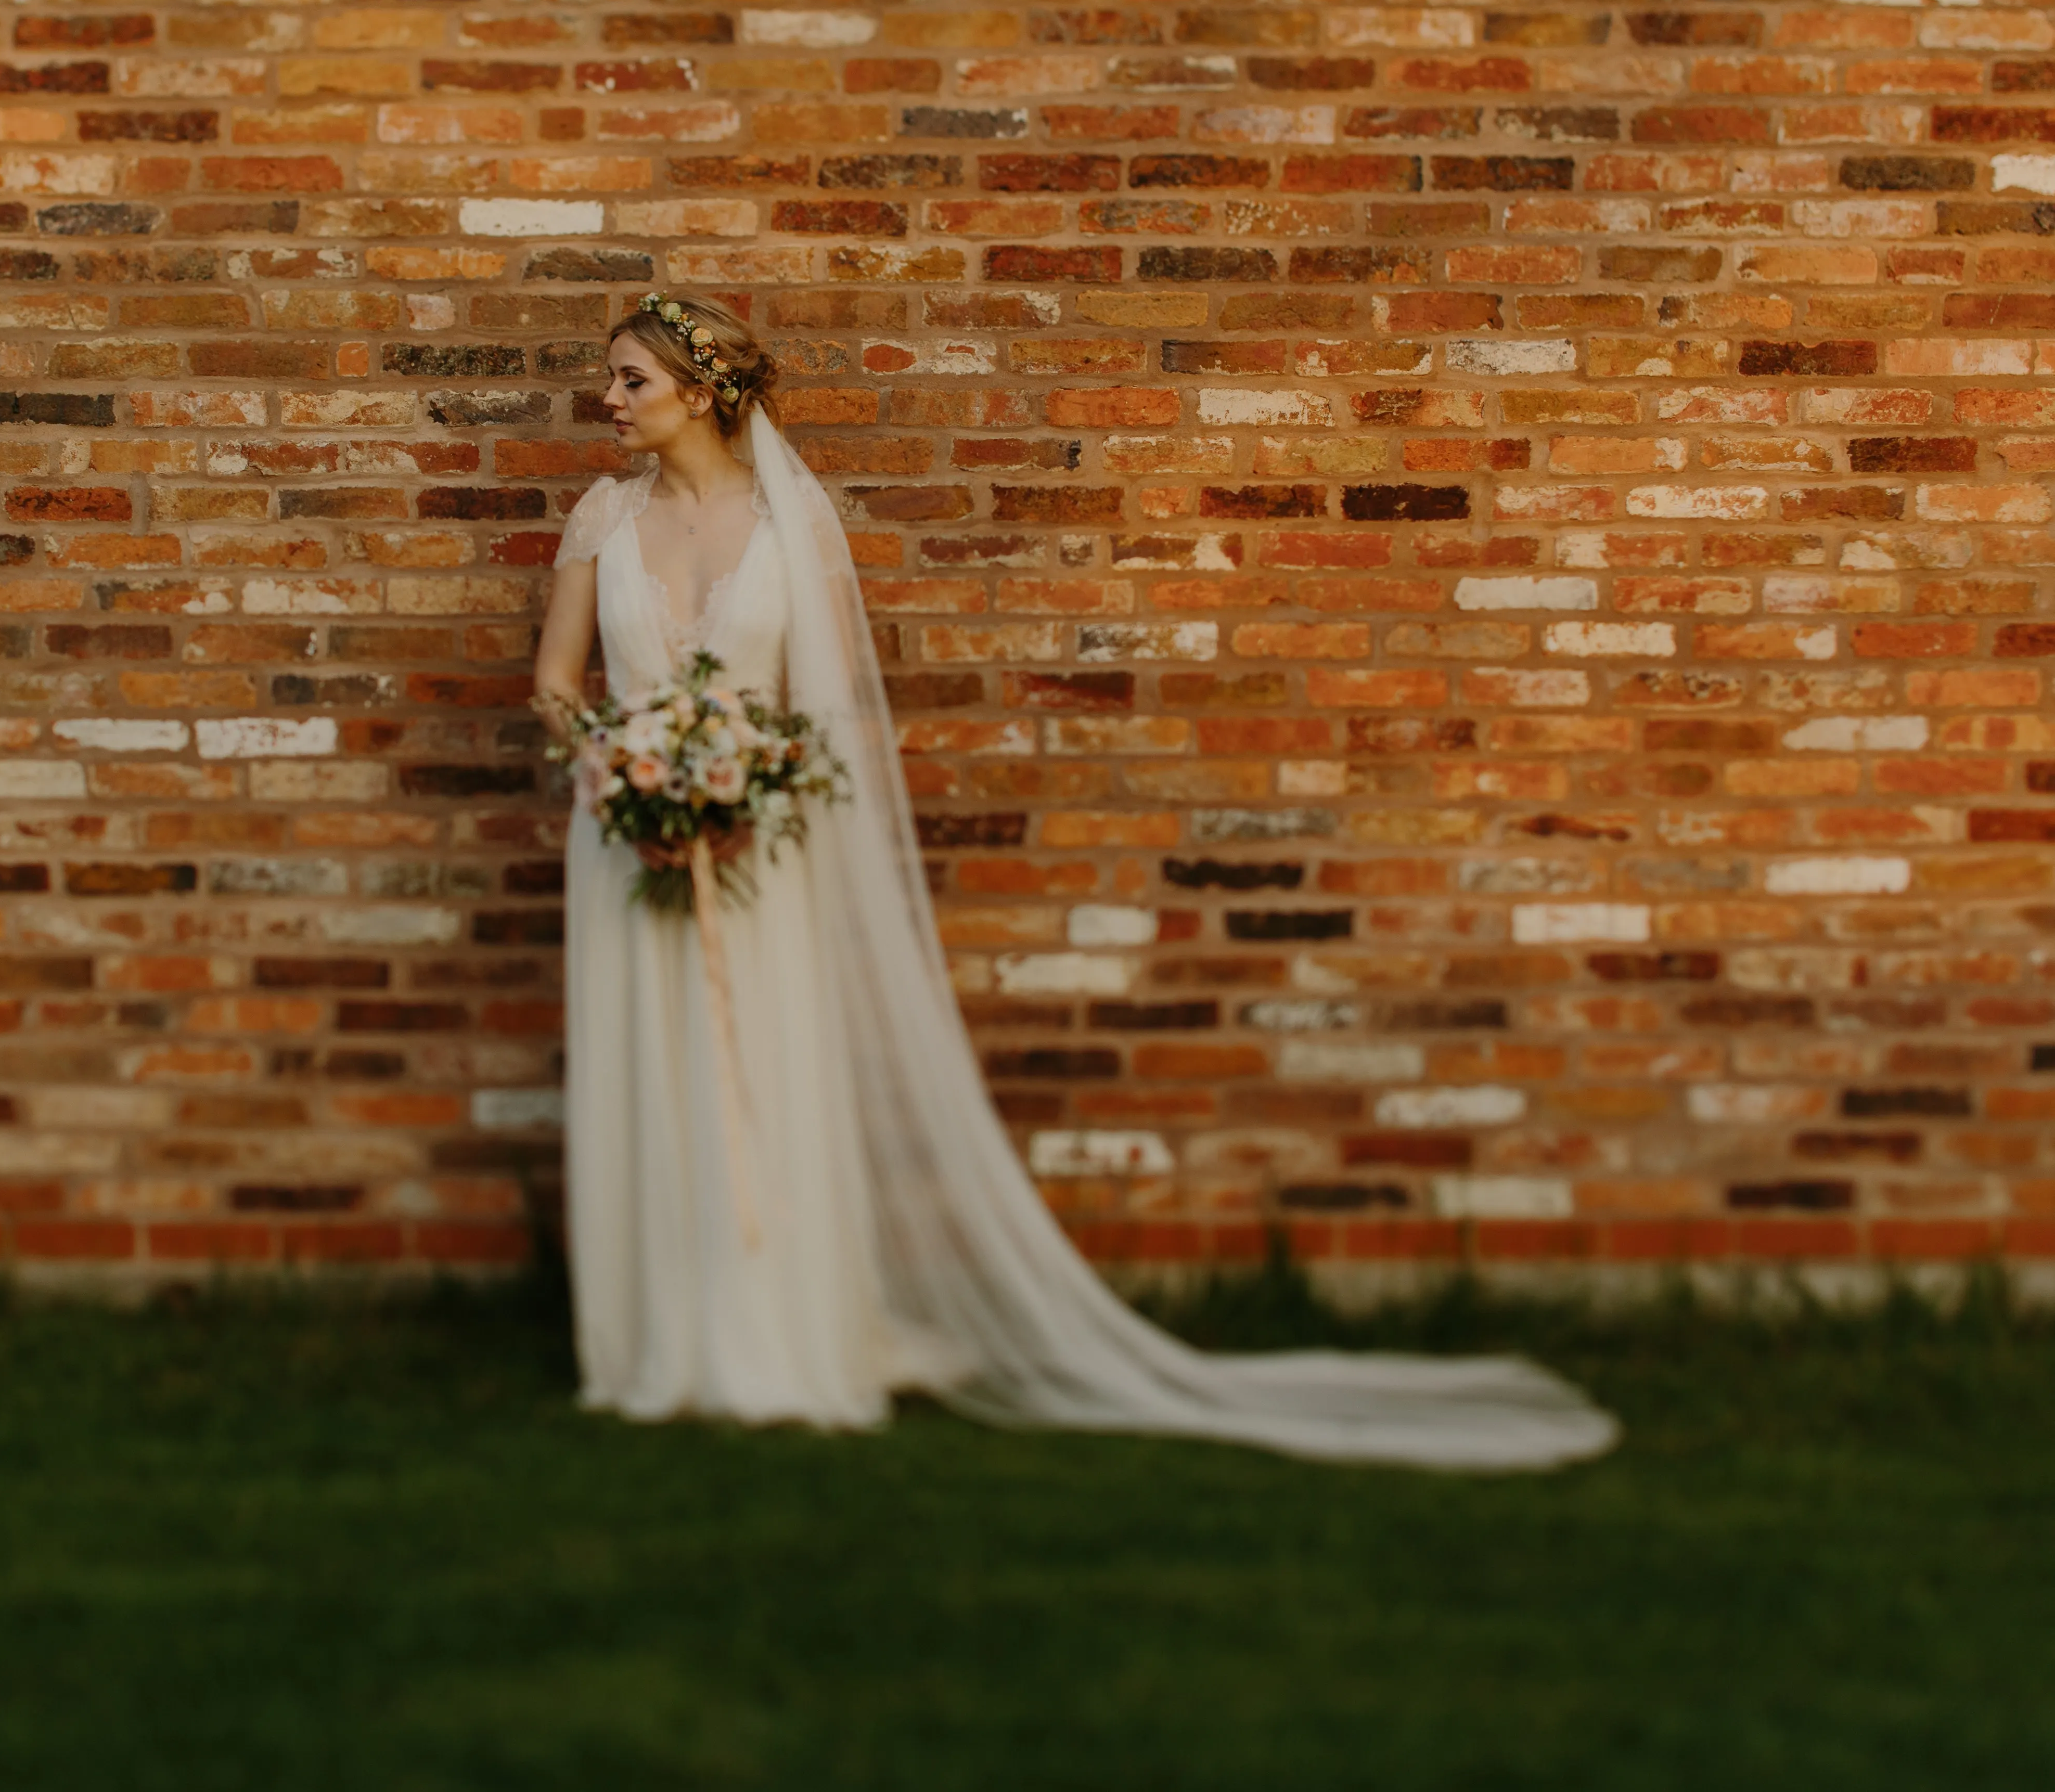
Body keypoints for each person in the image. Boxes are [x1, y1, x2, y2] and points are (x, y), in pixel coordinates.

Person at [530, 294, 1617, 1471]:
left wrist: (740, 790)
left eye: (628, 379)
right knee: (654, 1061)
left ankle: (771, 1333)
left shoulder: (792, 520)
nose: (608, 399)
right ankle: (658, 1341)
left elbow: (831, 706)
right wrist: (623, 773)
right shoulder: (601, 518)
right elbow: (554, 679)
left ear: (698, 391)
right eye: (610, 380)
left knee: (761, 1075)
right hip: (628, 831)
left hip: (756, 848)